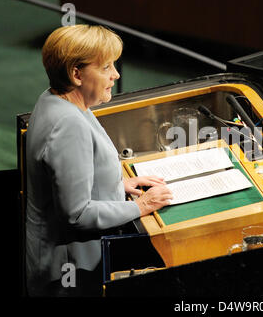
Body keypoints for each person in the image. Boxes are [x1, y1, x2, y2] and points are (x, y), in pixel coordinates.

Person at [25, 24, 173, 297]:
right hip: (71, 276)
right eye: (106, 67)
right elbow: (77, 214)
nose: (115, 75)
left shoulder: (54, 100)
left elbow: (71, 178)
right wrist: (142, 205)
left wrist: (118, 184)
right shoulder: (69, 124)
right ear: (76, 74)